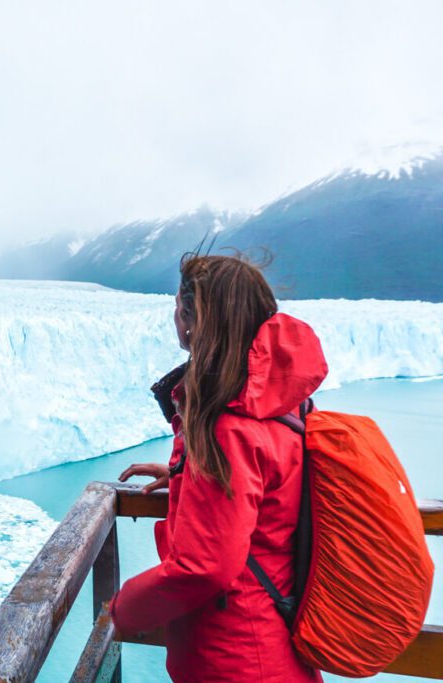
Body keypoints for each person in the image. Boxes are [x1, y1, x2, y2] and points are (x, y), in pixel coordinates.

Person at [110, 253, 326, 682]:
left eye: (179, 305)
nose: (174, 315)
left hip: (237, 658)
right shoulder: (273, 401)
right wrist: (186, 475)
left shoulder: (229, 425)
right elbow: (266, 492)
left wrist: (123, 610)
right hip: (271, 641)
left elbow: (205, 567)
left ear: (196, 320)